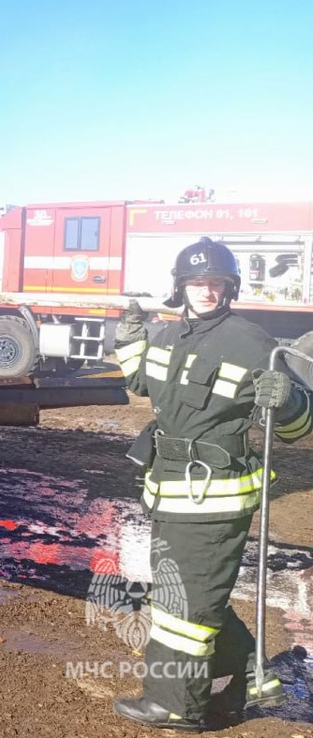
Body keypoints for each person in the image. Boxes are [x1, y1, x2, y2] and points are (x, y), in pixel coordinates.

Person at [112, 237, 312, 729]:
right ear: (180, 287)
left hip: (214, 495)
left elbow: (297, 427)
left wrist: (286, 399)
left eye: (215, 282)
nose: (206, 290)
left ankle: (176, 704)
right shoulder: (167, 336)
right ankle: (253, 674)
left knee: (185, 604)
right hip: (168, 490)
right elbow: (140, 382)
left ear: (229, 287)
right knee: (191, 590)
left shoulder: (251, 342)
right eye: (196, 282)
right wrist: (129, 337)